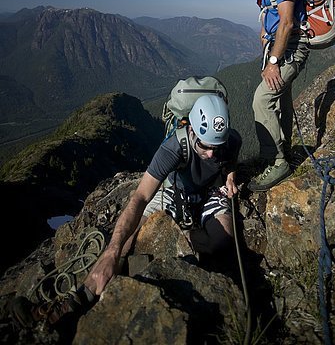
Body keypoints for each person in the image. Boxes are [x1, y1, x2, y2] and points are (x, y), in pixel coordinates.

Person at [11, 94, 241, 327]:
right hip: (175, 192)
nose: (211, 153)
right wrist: (112, 251)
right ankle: (79, 297)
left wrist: (230, 175)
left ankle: (171, 242)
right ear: (191, 129)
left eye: (216, 147)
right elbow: (140, 197)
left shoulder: (231, 141)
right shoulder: (173, 148)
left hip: (212, 192)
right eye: (204, 145)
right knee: (128, 239)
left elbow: (230, 156)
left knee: (222, 240)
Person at [233, 0, 309, 191]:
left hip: (291, 51)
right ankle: (284, 150)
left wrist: (273, 62)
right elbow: (276, 20)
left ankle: (277, 162)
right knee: (282, 100)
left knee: (262, 99)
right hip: (280, 49)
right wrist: (266, 36)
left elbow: (287, 23)